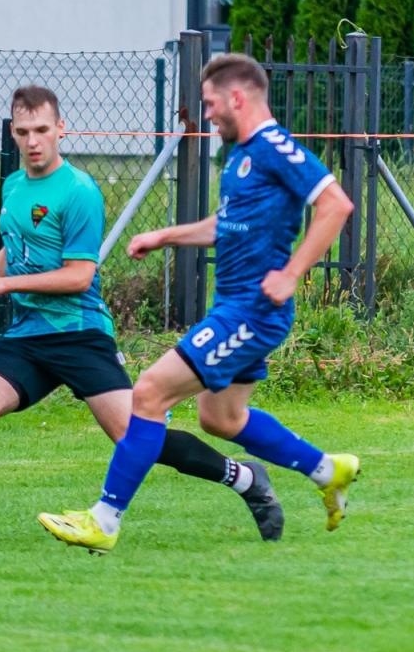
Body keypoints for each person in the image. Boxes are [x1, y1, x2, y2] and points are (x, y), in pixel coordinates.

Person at [0, 85, 282, 547]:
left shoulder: (79, 191)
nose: (33, 141)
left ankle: (245, 478)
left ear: (61, 129)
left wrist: (4, 287)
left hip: (80, 335)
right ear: (13, 132)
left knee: (135, 435)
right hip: (27, 336)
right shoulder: (14, 186)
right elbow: (11, 251)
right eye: (23, 132)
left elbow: (79, 276)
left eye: (42, 130)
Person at [39, 55, 361, 553]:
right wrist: (166, 236)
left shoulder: (275, 147)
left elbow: (336, 204)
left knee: (149, 393)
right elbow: (225, 226)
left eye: (210, 104)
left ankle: (104, 520)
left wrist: (292, 272)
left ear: (237, 97)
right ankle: (326, 470)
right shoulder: (241, 155)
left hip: (251, 310)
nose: (206, 115)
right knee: (221, 419)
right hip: (237, 307)